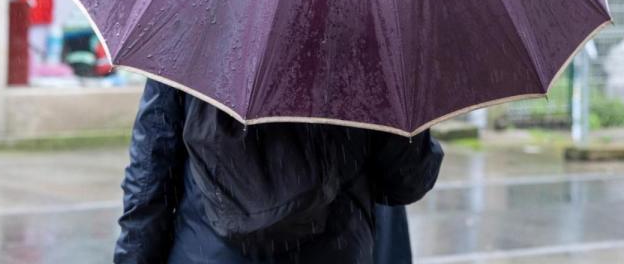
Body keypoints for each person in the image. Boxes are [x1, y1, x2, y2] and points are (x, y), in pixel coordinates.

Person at [114, 79, 443, 263]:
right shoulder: (367, 36)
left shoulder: (193, 25)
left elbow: (150, 173)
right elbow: (405, 182)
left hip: (207, 253)